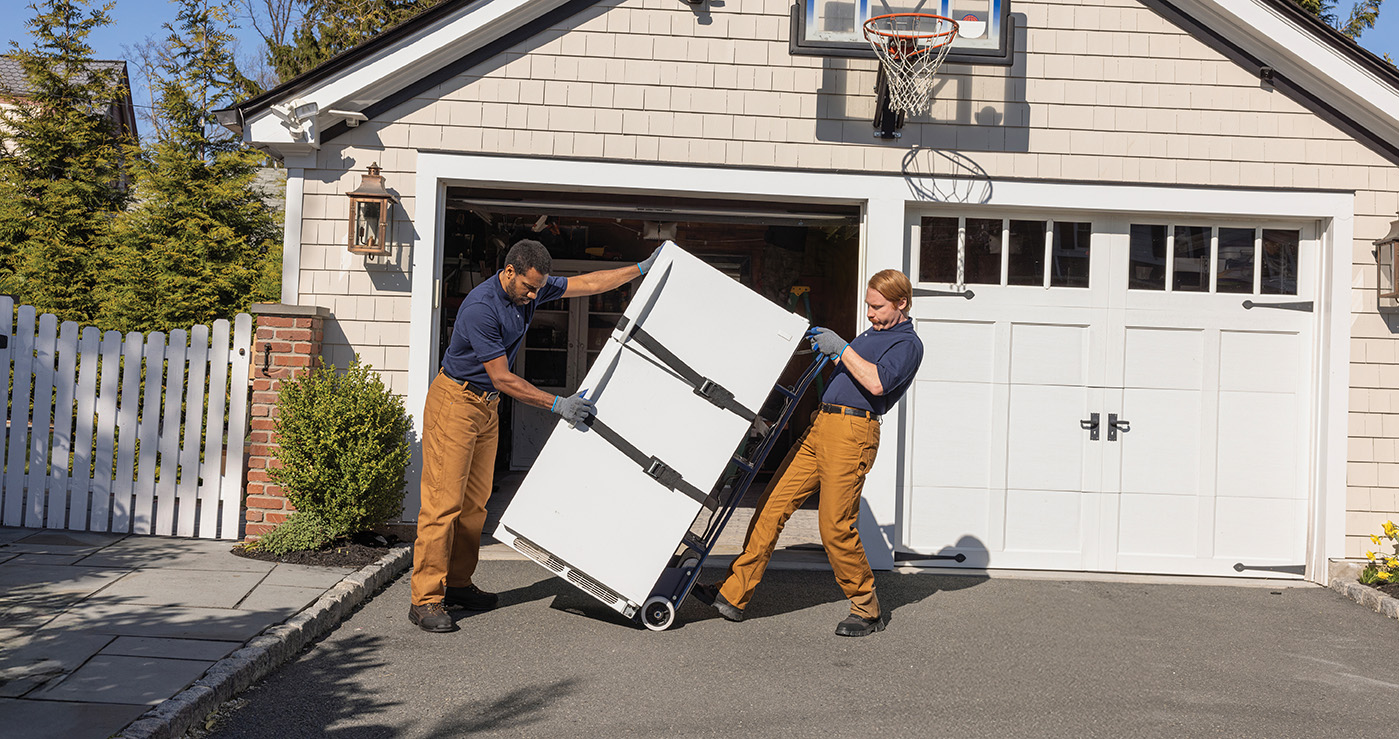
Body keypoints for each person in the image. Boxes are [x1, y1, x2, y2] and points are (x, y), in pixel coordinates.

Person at [409, 238, 662, 633]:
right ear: (509, 272)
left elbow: (589, 284)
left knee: (475, 505)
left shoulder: (532, 289)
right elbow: (502, 376)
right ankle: (425, 599)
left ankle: (457, 584)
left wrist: (640, 269)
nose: (533, 295)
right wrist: (556, 404)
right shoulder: (481, 307)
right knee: (443, 504)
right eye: (528, 287)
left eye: (539, 288)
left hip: (486, 407)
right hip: (455, 403)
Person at [695, 269, 924, 637]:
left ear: (902, 303)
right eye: (868, 305)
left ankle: (866, 609)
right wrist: (835, 353)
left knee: (834, 525)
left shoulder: (907, 344)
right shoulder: (874, 332)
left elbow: (877, 382)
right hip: (821, 426)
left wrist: (842, 348)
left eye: (877, 307)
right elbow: (853, 371)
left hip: (853, 433)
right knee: (771, 506)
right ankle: (733, 595)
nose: (869, 313)